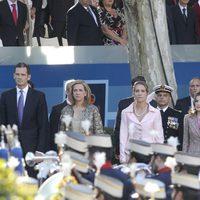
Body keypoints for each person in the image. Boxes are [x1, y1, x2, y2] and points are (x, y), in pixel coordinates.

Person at [0, 63, 49, 178]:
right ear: (13, 75)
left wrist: (40, 151)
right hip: (11, 149)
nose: (20, 77)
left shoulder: (39, 96)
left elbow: (43, 125)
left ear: (29, 77)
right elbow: (2, 123)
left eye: (23, 74)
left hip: (32, 150)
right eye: (17, 74)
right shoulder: (6, 96)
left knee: (31, 183)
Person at [114, 76, 157, 162]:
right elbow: (119, 128)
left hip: (148, 149)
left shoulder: (153, 104)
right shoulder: (123, 104)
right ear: (132, 89)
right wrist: (118, 149)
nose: (139, 92)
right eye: (137, 89)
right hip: (129, 149)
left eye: (142, 89)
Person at [120, 81, 164, 164]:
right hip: (130, 155)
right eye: (137, 91)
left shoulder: (155, 113)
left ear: (147, 93)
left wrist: (158, 158)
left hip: (150, 155)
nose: (140, 93)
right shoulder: (125, 112)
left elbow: (159, 138)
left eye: (142, 91)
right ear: (133, 93)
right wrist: (123, 158)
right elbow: (123, 136)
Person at [154, 84, 183, 150]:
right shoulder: (150, 114)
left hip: (172, 151)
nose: (162, 97)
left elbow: (180, 136)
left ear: (170, 98)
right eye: (159, 95)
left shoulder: (177, 115)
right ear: (155, 98)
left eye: (165, 95)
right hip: (154, 150)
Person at [49, 79, 75, 150]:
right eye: (72, 90)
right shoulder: (57, 109)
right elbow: (52, 132)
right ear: (66, 91)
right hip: (61, 150)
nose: (75, 93)